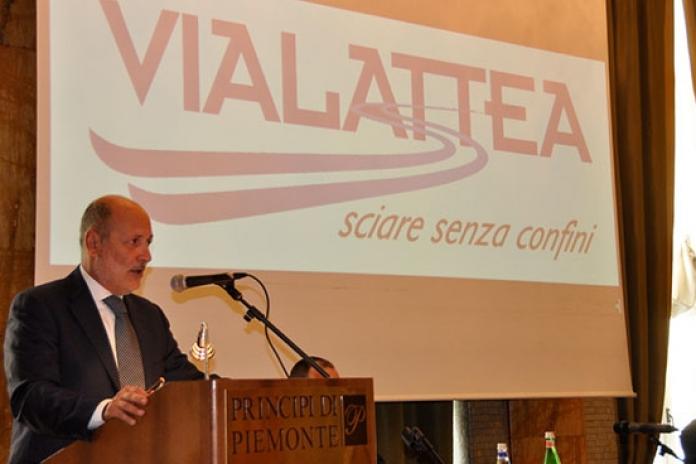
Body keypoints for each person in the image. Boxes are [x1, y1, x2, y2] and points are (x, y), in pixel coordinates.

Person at [3, 195, 203, 464]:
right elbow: (31, 397)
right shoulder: (41, 306)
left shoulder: (149, 316)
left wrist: (241, 397)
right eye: (134, 241)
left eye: (148, 242)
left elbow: (188, 385)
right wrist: (103, 411)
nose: (146, 255)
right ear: (94, 243)